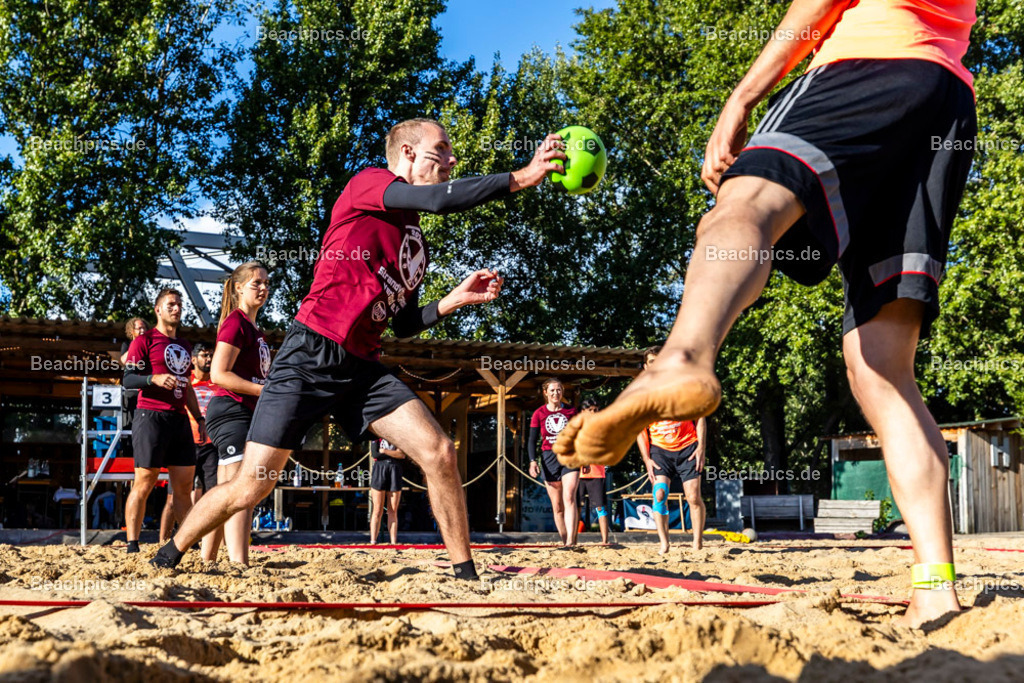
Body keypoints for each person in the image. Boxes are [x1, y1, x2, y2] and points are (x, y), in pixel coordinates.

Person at [555, 0, 977, 626]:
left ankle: (681, 358)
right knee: (883, 371)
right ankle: (935, 584)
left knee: (741, 204)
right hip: (944, 99)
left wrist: (743, 96)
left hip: (865, 61)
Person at [152, 118, 566, 578]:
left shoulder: (415, 245)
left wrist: (453, 299)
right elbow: (436, 200)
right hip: (310, 353)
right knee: (251, 485)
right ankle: (171, 551)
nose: (451, 160)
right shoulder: (369, 183)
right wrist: (524, 177)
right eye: (441, 150)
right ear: (408, 153)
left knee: (440, 451)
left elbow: (405, 322)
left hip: (361, 368)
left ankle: (465, 573)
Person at [122, 288, 205, 553]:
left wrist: (199, 417)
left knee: (183, 487)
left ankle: (187, 543)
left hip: (180, 419)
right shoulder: (144, 340)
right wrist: (152, 378)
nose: (176, 309)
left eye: (179, 305)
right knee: (145, 482)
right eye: (170, 305)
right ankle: (132, 544)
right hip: (151, 416)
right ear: (158, 310)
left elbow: (188, 386)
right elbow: (127, 380)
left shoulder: (185, 345)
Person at [204, 262, 271, 566]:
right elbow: (218, 374)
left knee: (225, 493)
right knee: (242, 491)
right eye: (256, 282)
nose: (263, 287)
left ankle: (207, 559)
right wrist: (264, 392)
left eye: (266, 283)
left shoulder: (254, 329)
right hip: (231, 409)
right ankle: (239, 563)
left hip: (241, 411)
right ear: (239, 287)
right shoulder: (236, 322)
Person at [635, 347, 707, 554]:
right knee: (659, 495)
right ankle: (664, 543)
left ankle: (697, 543)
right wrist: (647, 459)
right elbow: (640, 431)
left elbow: (700, 416)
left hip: (687, 447)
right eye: (651, 361)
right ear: (646, 366)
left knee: (693, 496)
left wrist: (701, 447)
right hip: (660, 450)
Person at [161, 343, 217, 546]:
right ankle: (163, 541)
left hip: (211, 446)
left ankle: (206, 541)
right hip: (185, 443)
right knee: (173, 497)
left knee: (212, 497)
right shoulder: (183, 382)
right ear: (193, 360)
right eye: (204, 355)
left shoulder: (218, 382)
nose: (209, 359)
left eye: (211, 355)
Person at [528, 378, 579, 547]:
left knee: (569, 497)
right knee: (557, 506)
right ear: (545, 393)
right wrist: (532, 461)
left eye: (559, 390)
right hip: (549, 458)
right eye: (552, 390)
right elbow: (532, 440)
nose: (556, 393)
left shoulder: (572, 412)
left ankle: (571, 541)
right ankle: (565, 540)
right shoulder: (539, 413)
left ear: (562, 392)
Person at [576, 397, 610, 544]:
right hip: (578, 472)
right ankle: (572, 539)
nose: (593, 413)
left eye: (596, 410)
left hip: (596, 471)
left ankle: (605, 540)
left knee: (600, 506)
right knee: (576, 505)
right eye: (590, 410)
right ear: (583, 411)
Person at [369, 438, 406, 544]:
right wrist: (394, 453)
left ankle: (393, 541)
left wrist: (384, 451)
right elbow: (375, 454)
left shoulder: (398, 438)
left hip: (395, 470)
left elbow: (402, 455)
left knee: (393, 510)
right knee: (377, 509)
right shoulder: (376, 438)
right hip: (380, 470)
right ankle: (373, 540)